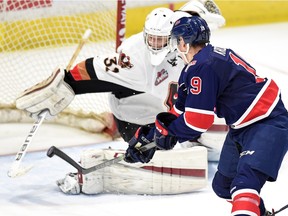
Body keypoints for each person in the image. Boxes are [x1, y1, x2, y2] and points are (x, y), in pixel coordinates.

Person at [16, 0, 226, 162]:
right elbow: (97, 69)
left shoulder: (188, 35)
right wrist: (69, 83)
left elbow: (199, 9)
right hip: (133, 107)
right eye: (152, 38)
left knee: (210, 144)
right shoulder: (135, 55)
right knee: (148, 150)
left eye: (161, 39)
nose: (155, 44)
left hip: (167, 102)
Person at [124, 16, 288, 216]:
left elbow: (198, 121)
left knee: (245, 183)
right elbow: (180, 110)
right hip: (242, 126)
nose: (176, 47)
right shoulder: (199, 65)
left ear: (184, 42)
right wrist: (151, 137)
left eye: (177, 42)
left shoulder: (203, 66)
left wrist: (170, 135)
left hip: (267, 122)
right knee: (224, 185)